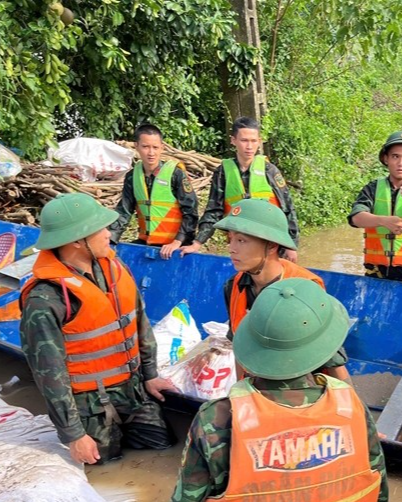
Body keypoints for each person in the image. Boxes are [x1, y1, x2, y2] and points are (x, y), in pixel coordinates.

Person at [163, 278, 388, 502]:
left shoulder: (218, 418)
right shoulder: (351, 407)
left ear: (250, 345)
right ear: (327, 350)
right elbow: (377, 496)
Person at [20, 193, 177, 465]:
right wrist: (73, 435)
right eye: (100, 229)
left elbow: (139, 322)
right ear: (77, 241)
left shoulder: (114, 267)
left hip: (133, 390)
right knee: (103, 465)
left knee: (164, 446)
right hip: (89, 404)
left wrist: (150, 374)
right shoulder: (45, 299)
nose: (109, 233)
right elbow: (49, 374)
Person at [215, 198, 350, 382]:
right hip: (258, 382)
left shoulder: (303, 288)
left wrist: (350, 406)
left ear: (271, 245)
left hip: (298, 386)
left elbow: (332, 359)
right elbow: (240, 347)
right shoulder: (234, 286)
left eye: (241, 240)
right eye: (230, 239)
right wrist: (241, 394)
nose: (232, 249)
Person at [179, 116, 300, 262]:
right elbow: (213, 211)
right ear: (233, 141)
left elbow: (288, 209)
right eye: (244, 141)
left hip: (270, 244)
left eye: (253, 141)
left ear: (259, 142)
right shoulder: (223, 172)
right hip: (240, 245)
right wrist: (197, 243)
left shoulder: (270, 170)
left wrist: (291, 246)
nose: (249, 146)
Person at [349, 131, 402, 284]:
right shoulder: (373, 188)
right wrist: (382, 221)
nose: (401, 162)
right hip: (375, 272)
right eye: (395, 156)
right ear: (386, 159)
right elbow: (356, 218)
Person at [110, 123, 199, 259]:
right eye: (145, 147)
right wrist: (111, 240)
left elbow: (190, 212)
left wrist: (177, 242)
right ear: (136, 147)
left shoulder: (176, 174)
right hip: (147, 243)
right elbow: (124, 211)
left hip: (177, 245)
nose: (151, 153)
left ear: (162, 148)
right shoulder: (132, 177)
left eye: (155, 147)